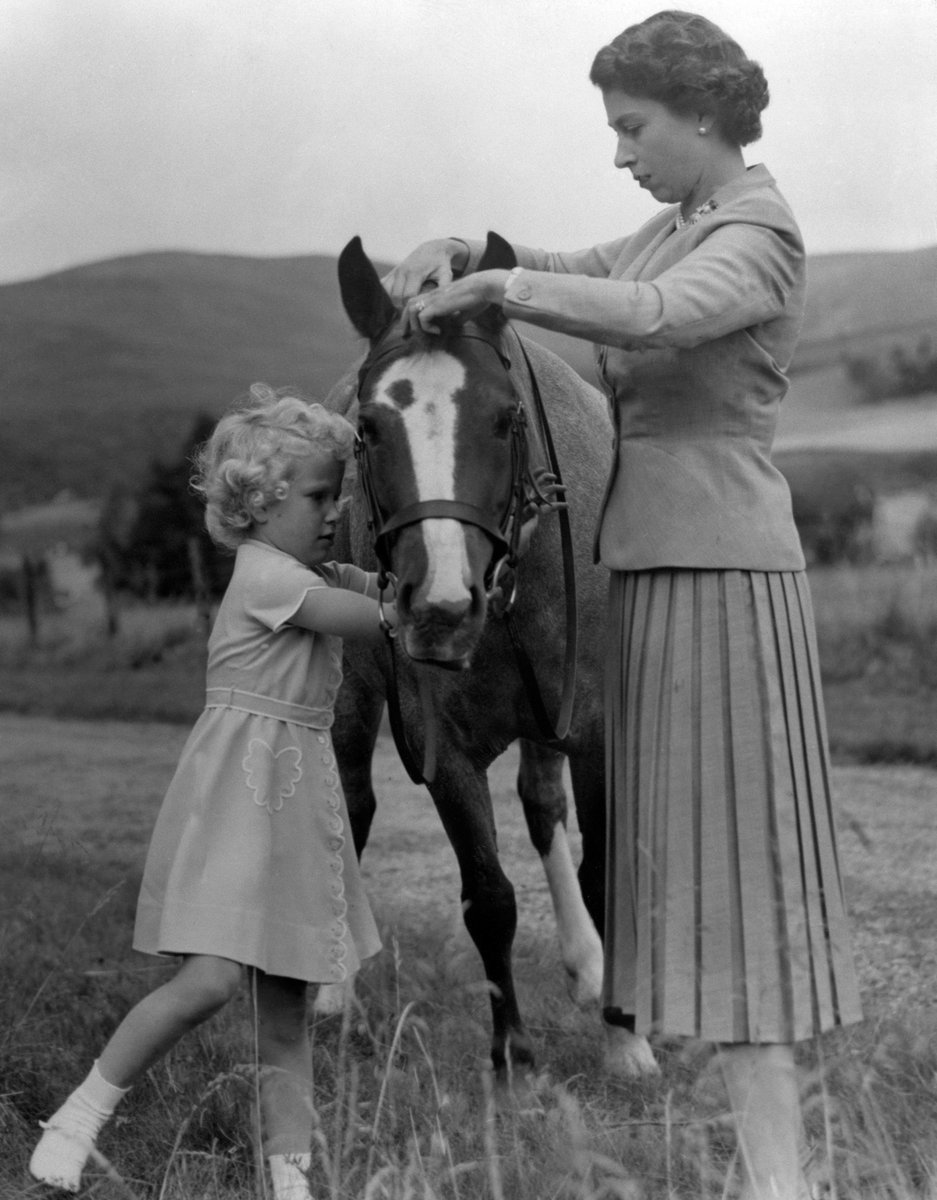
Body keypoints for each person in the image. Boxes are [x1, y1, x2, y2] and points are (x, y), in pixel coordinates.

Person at [381, 11, 862, 1199]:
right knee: (677, 874)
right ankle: (767, 1168)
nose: (620, 153)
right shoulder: (674, 223)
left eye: (632, 127)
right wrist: (461, 243)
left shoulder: (758, 230)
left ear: (702, 113)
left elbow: (650, 315)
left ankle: (781, 1179)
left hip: (724, 575)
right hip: (648, 573)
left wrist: (499, 283)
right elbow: (590, 270)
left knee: (739, 875)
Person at [30, 384, 394, 1199]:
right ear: (259, 503)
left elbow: (381, 591)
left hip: (293, 801)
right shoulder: (267, 576)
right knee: (209, 980)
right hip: (242, 794)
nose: (332, 509)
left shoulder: (309, 567)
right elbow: (379, 619)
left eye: (337, 493)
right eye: (315, 495)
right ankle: (79, 1117)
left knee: (289, 1007)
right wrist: (426, 609)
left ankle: (290, 1182)